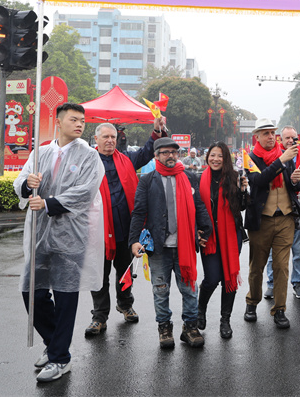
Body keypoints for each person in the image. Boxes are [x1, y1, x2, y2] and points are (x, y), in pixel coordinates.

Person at [15, 103, 105, 383]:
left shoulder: (89, 156)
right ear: (58, 122)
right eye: (73, 119)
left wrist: (49, 203)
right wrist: (27, 184)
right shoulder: (40, 153)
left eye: (82, 121)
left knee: (66, 296)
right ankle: (55, 343)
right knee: (32, 291)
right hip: (39, 233)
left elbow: (85, 192)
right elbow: (21, 182)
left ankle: (59, 358)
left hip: (71, 235)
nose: (79, 124)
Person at [85, 117, 168, 336]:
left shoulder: (127, 159)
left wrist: (157, 131)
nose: (110, 140)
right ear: (96, 139)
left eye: (113, 137)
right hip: (98, 230)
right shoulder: (87, 162)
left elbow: (147, 152)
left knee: (125, 271)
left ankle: (125, 304)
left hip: (125, 228)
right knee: (99, 275)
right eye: (106, 137)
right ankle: (99, 316)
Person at [129, 137, 212, 349]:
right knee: (160, 290)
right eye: (165, 152)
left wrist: (205, 229)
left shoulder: (188, 177)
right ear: (156, 156)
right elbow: (139, 212)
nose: (170, 156)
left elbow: (199, 205)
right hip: (159, 247)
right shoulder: (148, 180)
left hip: (185, 245)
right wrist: (134, 241)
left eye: (174, 152)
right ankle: (164, 327)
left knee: (189, 289)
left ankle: (190, 327)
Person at [244, 118, 300, 329]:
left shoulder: (286, 155)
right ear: (257, 137)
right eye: (266, 133)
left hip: (285, 218)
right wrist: (281, 160)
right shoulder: (251, 158)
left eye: (272, 133)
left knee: (281, 267)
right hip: (261, 220)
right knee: (257, 266)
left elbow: (294, 186)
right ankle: (252, 302)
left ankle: (279, 309)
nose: (271, 137)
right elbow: (259, 181)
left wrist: (296, 181)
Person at [197, 142, 247, 339]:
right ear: (207, 157)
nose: (215, 159)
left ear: (226, 158)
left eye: (220, 156)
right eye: (212, 155)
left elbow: (242, 207)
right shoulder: (200, 179)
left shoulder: (235, 177)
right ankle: (200, 310)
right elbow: (195, 207)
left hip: (231, 235)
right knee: (212, 278)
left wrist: (242, 191)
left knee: (229, 276)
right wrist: (197, 231)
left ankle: (225, 320)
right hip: (209, 236)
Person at [264, 126, 300, 298]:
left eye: (293, 138)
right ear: (280, 139)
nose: (290, 141)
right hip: (279, 212)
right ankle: (272, 284)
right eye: (287, 138)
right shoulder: (274, 159)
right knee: (274, 252)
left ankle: (298, 282)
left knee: (299, 251)